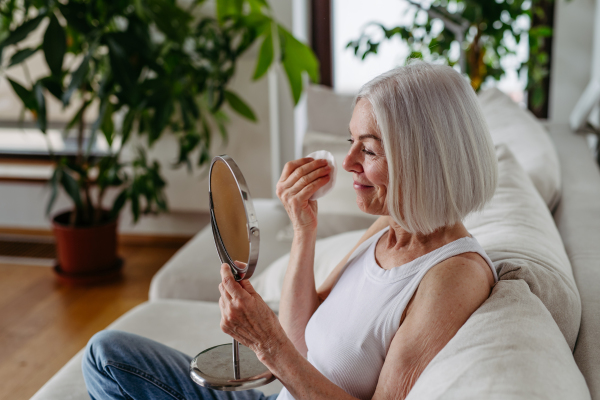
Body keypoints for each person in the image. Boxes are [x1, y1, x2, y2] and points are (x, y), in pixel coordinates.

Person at [82, 61, 498, 400]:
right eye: (350, 140)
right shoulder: (388, 228)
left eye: (368, 149)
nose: (348, 160)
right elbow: (304, 340)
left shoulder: (453, 276)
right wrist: (304, 227)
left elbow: (287, 350)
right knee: (107, 354)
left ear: (424, 161)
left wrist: (267, 343)